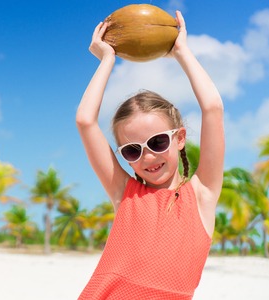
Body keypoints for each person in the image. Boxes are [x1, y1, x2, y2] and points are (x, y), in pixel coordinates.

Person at [76, 11, 224, 299]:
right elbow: (85, 121)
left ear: (180, 138)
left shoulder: (202, 194)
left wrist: (181, 52)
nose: (147, 157)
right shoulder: (125, 194)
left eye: (157, 142)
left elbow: (213, 108)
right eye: (132, 150)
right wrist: (107, 60)